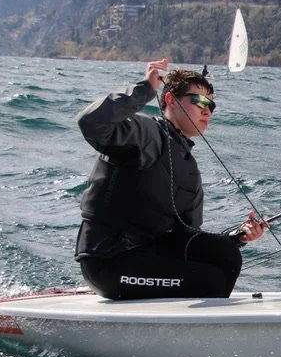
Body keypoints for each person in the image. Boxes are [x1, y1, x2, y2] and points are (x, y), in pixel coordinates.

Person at [74, 58, 267, 300]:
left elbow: (187, 239)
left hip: (149, 257)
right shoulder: (146, 134)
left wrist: (237, 237)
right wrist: (145, 88)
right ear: (170, 100)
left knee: (225, 254)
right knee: (210, 281)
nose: (207, 110)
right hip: (109, 261)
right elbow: (91, 122)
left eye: (212, 105)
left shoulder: (189, 168)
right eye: (199, 101)